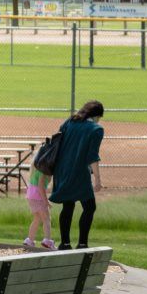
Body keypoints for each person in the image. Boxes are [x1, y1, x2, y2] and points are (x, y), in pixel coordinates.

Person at [51, 100, 106, 250]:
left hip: (62, 170)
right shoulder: (96, 129)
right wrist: (98, 180)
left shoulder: (69, 122)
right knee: (89, 206)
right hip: (80, 172)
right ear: (96, 116)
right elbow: (92, 156)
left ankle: (65, 243)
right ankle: (82, 243)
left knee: (68, 206)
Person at [22, 149, 56, 251]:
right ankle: (47, 240)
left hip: (31, 195)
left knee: (37, 218)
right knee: (47, 219)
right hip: (38, 196)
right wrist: (46, 201)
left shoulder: (36, 168)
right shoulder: (43, 170)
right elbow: (41, 187)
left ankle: (29, 240)